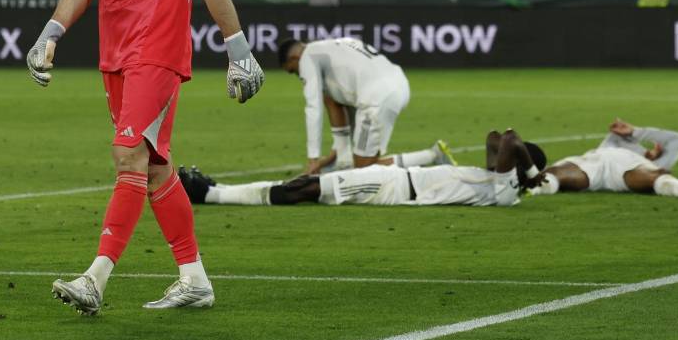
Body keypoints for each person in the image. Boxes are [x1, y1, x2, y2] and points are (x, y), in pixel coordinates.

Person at [27, 0, 265, 315]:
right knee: (155, 168)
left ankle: (96, 278)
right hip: (114, 50)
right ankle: (194, 278)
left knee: (128, 155)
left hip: (158, 46)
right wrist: (51, 31)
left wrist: (239, 50)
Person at [179, 129, 545, 208]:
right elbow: (496, 137)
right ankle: (213, 190)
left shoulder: (505, 191)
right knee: (307, 184)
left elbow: (510, 140)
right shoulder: (499, 178)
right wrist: (528, 170)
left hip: (394, 189)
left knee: (305, 188)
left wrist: (530, 173)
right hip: (397, 181)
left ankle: (208, 193)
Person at [277, 38, 450, 175]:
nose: (298, 75)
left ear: (295, 58)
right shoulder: (333, 46)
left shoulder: (307, 57)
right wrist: (335, 155)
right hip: (398, 84)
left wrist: (313, 159)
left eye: (293, 71)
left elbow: (313, 107)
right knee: (328, 94)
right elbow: (335, 99)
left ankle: (433, 155)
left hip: (377, 98)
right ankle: (343, 159)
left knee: (363, 171)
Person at [528, 118, 678, 199]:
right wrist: (632, 134)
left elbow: (677, 139)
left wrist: (638, 132)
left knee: (657, 178)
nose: (655, 148)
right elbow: (614, 134)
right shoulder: (618, 142)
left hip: (629, 169)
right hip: (594, 160)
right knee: (557, 173)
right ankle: (529, 189)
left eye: (659, 147)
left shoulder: (654, 164)